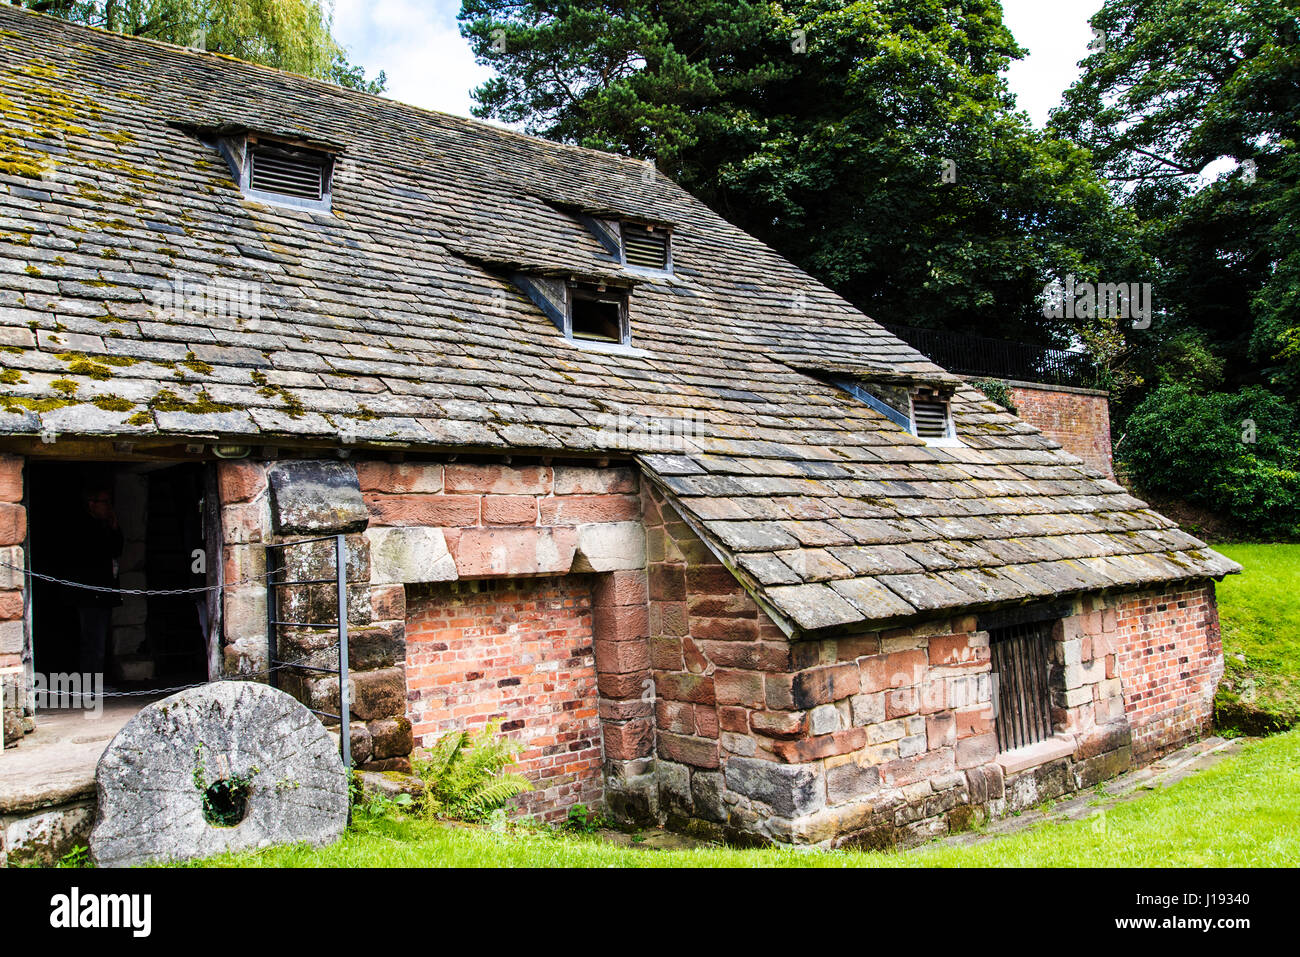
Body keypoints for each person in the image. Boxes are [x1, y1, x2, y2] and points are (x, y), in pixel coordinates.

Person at [68, 486, 124, 680]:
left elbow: (117, 550)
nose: (109, 507)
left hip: (103, 593)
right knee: (92, 642)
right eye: (105, 502)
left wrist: (114, 526)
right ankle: (90, 684)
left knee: (101, 641)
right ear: (92, 504)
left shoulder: (105, 525)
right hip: (89, 594)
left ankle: (98, 680)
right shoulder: (84, 527)